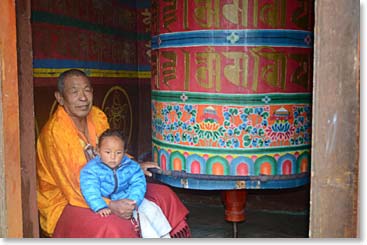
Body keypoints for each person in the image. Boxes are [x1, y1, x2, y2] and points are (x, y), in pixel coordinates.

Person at [36, 68, 191, 238]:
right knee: (116, 225)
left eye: (87, 90)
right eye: (74, 92)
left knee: (163, 195)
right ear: (60, 98)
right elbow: (74, 187)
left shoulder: (96, 115)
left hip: (109, 184)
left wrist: (133, 166)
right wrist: (109, 205)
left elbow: (111, 149)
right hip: (67, 201)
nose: (83, 98)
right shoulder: (56, 133)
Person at [80, 128, 171, 238]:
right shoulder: (91, 169)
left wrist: (133, 201)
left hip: (129, 198)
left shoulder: (131, 166)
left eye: (118, 153)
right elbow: (90, 190)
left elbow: (138, 184)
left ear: (124, 152)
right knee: (143, 221)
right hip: (110, 201)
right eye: (107, 152)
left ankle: (166, 236)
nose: (113, 157)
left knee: (152, 209)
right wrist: (100, 206)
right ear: (98, 150)